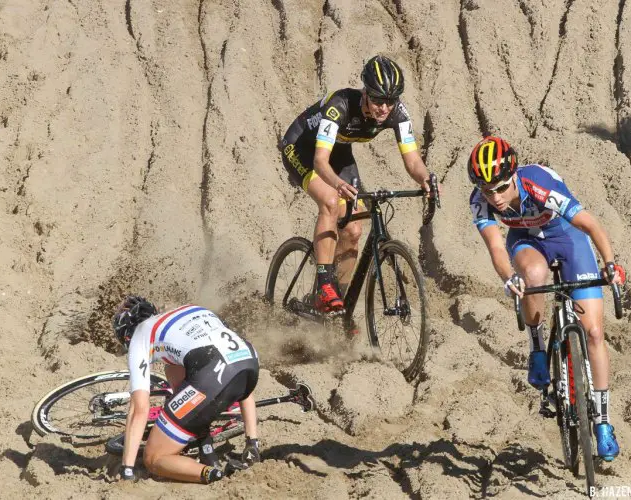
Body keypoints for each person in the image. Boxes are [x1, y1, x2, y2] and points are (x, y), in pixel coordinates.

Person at [467, 136, 625, 461]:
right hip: (526, 242)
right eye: (487, 190)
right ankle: (537, 346)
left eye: (501, 187)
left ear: (513, 176)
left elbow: (590, 224)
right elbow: (497, 248)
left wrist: (610, 264)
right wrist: (509, 279)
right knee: (534, 277)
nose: (495, 198)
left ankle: (604, 422)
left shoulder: (537, 184)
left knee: (594, 332)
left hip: (567, 237)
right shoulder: (479, 200)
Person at [280, 55, 439, 314]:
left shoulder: (397, 113)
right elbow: (321, 162)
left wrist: (425, 178)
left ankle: (335, 309)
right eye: (377, 99)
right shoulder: (339, 105)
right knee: (331, 201)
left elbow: (412, 161)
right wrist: (336, 185)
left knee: (354, 230)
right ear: (365, 92)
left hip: (339, 153)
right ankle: (324, 284)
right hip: (303, 149)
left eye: (390, 101)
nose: (384, 108)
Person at [113, 296, 261, 483]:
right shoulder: (188, 310)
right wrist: (251, 440)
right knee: (189, 385)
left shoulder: (139, 336)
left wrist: (127, 468)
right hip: (249, 365)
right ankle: (251, 445)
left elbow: (139, 410)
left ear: (126, 334)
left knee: (153, 458)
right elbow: (232, 366)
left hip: (213, 372)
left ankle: (213, 474)